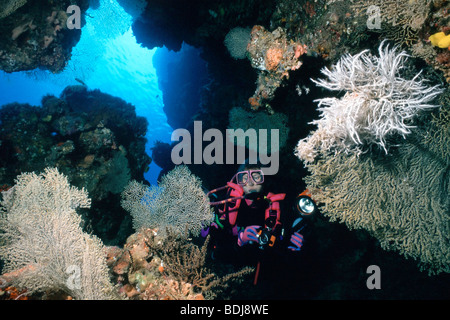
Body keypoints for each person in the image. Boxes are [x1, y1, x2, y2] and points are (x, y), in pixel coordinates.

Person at [202, 159, 305, 282]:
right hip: (233, 278)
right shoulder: (226, 209)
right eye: (244, 178)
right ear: (238, 183)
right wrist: (240, 240)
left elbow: (286, 246)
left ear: (264, 179)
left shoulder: (277, 207)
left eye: (256, 177)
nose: (250, 183)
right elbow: (213, 252)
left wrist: (295, 245)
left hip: (269, 277)